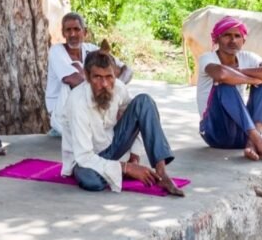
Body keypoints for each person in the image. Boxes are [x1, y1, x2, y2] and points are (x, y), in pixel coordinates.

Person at [60, 42, 184, 196]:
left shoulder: (118, 88)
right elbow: (84, 157)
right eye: (97, 77)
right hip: (83, 160)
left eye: (108, 77)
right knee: (91, 181)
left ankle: (162, 173)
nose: (104, 84)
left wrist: (135, 156)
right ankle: (116, 170)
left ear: (115, 74)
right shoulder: (77, 102)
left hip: (112, 146)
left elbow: (136, 117)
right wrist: (127, 168)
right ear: (87, 76)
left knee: (144, 101)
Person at [197, 16, 262, 165]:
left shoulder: (248, 57)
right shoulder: (207, 58)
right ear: (217, 39)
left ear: (243, 41)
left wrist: (239, 71)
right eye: (227, 35)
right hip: (215, 132)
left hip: (243, 133)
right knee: (224, 84)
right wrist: (252, 79)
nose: (232, 40)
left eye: (237, 36)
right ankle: (261, 144)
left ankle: (253, 141)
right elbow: (221, 74)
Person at [46, 12, 132, 135]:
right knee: (73, 81)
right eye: (68, 30)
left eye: (77, 29)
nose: (72, 34)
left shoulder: (91, 49)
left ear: (85, 32)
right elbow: (73, 80)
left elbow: (127, 70)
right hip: (62, 114)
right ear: (63, 33)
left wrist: (114, 86)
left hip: (88, 110)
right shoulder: (56, 51)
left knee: (109, 80)